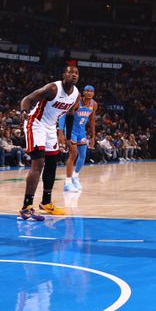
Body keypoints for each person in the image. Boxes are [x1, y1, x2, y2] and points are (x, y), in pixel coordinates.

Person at [18, 65, 81, 220]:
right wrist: (24, 112)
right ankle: (26, 207)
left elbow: (71, 114)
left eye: (76, 73)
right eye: (70, 72)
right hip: (36, 123)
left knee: (52, 163)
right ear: (63, 75)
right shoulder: (53, 88)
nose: (73, 75)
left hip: (51, 127)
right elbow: (28, 99)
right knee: (38, 164)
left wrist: (67, 137)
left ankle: (46, 202)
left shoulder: (76, 95)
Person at [63, 86, 97, 192]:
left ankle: (75, 176)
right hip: (71, 130)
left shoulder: (94, 105)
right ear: (83, 92)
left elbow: (91, 120)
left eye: (91, 91)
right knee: (73, 154)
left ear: (93, 94)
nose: (89, 93)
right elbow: (66, 116)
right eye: (87, 91)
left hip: (81, 131)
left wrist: (93, 136)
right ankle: (67, 183)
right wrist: (63, 133)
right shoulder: (77, 102)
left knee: (83, 155)